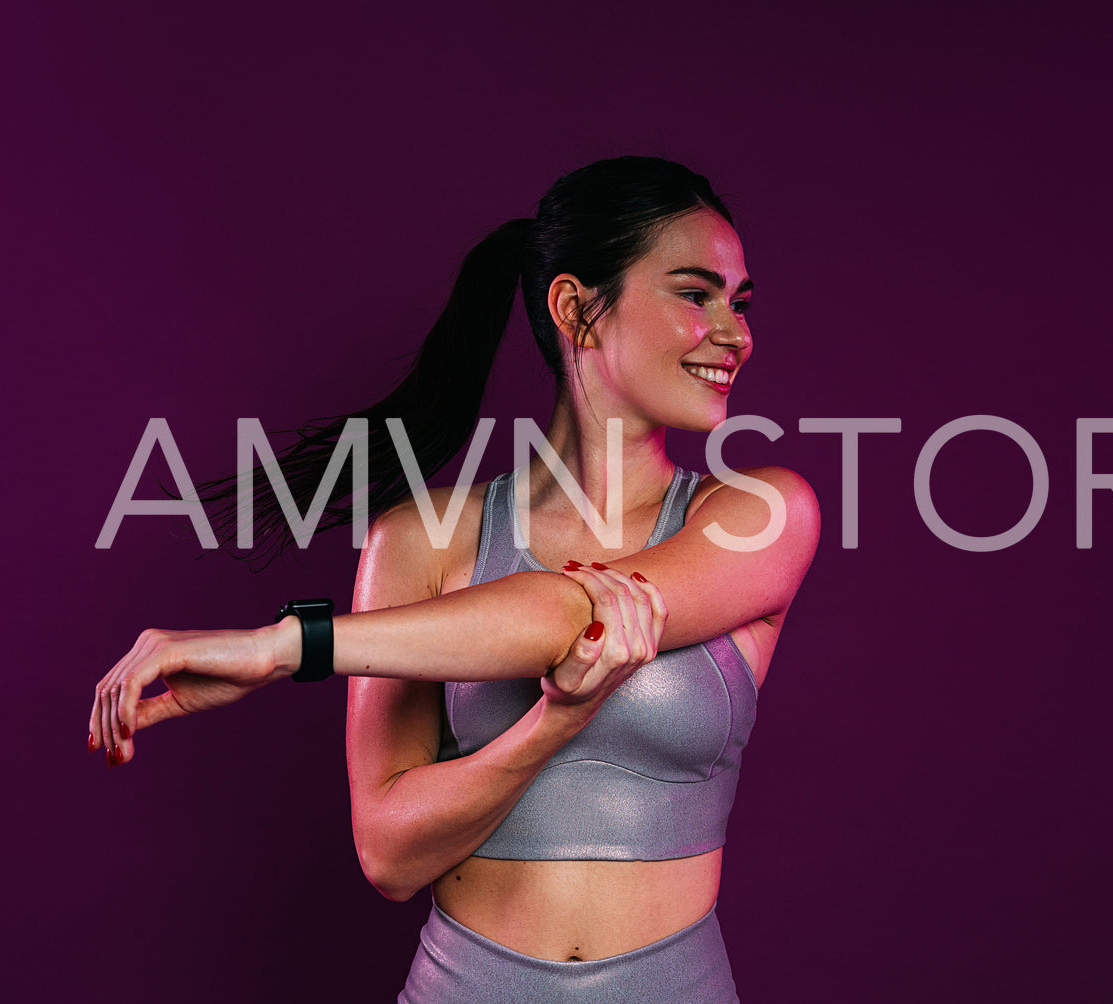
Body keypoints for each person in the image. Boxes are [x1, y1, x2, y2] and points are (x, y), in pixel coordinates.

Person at [88, 156, 819, 1002]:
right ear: (576, 308)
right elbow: (390, 858)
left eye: (740, 302)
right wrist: (553, 722)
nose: (735, 332)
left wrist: (283, 646)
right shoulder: (419, 540)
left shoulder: (761, 513)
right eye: (696, 295)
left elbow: (560, 607)